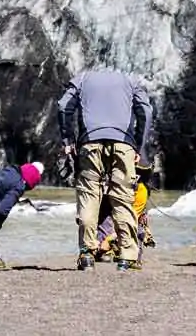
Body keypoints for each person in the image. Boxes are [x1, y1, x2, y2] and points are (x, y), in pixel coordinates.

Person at [58, 69, 153, 272]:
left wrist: (68, 141)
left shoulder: (81, 79)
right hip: (123, 145)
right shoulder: (132, 80)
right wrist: (139, 146)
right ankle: (127, 257)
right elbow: (145, 111)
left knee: (89, 197)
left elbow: (63, 106)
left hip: (89, 143)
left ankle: (87, 254)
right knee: (123, 198)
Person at [94, 161, 156, 263]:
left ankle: (112, 252)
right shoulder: (140, 188)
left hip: (122, 178)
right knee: (107, 207)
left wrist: (109, 240)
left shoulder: (141, 191)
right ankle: (110, 252)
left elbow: (132, 220)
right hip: (121, 179)